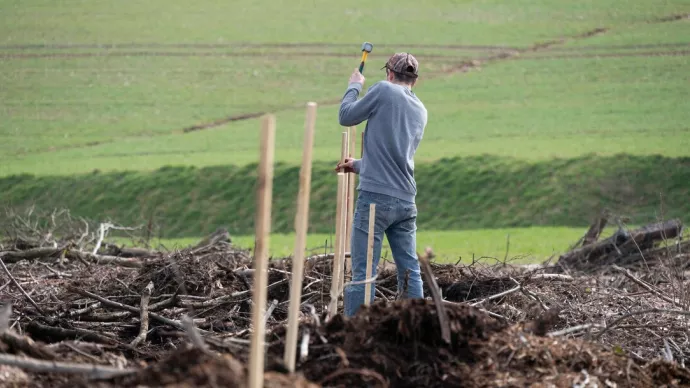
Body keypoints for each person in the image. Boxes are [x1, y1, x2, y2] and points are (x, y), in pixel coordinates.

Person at [335, 52, 428, 317]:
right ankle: (417, 325)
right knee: (410, 270)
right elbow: (396, 156)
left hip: (375, 197)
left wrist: (355, 85)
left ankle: (355, 333)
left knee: (363, 272)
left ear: (389, 73)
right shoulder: (421, 109)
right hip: (406, 199)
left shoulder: (384, 90)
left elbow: (346, 116)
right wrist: (358, 164)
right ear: (415, 81)